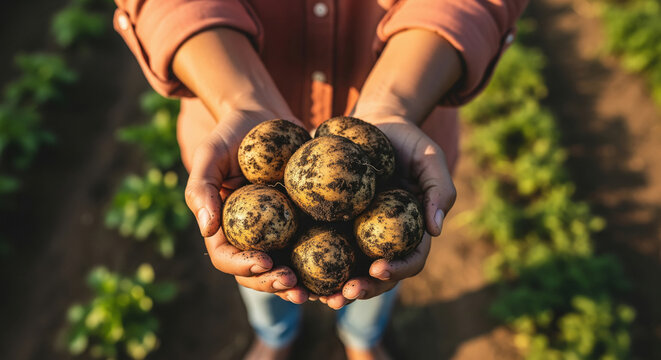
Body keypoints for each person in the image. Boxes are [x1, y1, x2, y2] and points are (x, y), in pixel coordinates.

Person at [113, 0, 527, 358]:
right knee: (261, 267)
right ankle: (276, 336)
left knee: (379, 271)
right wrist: (241, 98)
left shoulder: (375, 173)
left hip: (410, 112)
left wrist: (395, 103)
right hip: (228, 115)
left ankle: (361, 337)